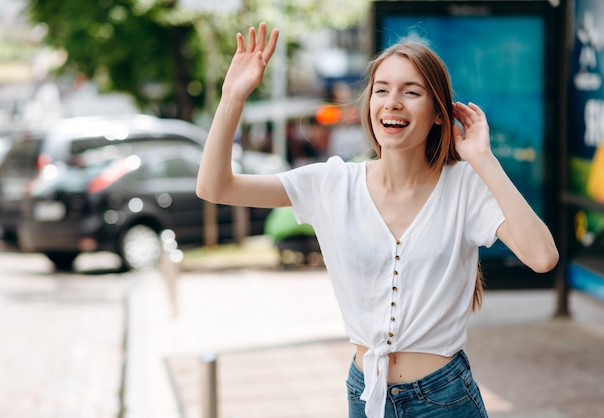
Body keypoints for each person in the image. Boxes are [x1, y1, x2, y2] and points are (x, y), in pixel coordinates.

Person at [196, 22, 559, 418]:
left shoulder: (465, 187)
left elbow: (542, 257)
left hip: (444, 399)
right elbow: (216, 187)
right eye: (382, 90)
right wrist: (232, 97)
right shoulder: (333, 183)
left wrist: (483, 161)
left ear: (439, 113)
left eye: (411, 92)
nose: (392, 102)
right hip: (366, 395)